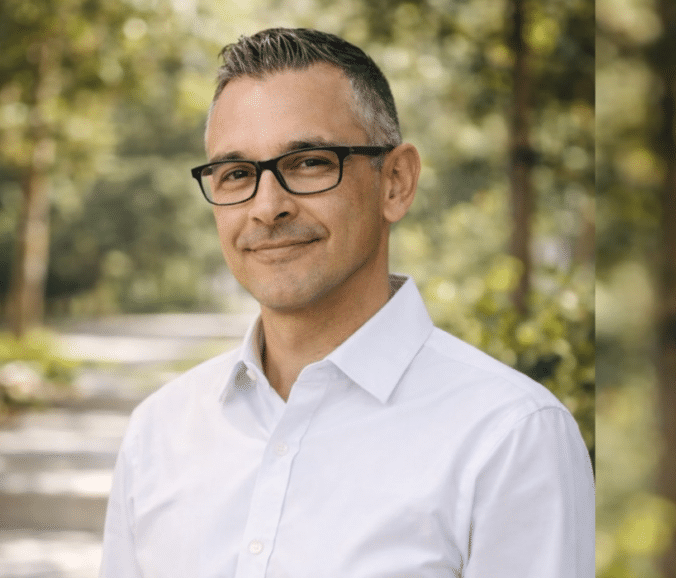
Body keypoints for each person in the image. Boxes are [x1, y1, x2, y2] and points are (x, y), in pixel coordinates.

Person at [100, 27, 594, 577]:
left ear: (396, 183)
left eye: (309, 162)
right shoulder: (159, 433)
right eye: (237, 174)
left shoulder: (509, 436)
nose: (267, 207)